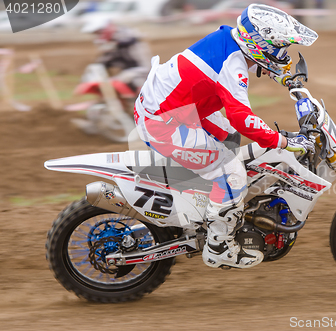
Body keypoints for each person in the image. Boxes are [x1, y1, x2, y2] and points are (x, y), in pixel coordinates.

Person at [134, 4, 318, 269]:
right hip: (163, 123)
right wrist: (284, 142)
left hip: (178, 109)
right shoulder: (233, 65)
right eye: (278, 49)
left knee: (230, 140)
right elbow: (242, 117)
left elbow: (257, 69)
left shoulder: (230, 40)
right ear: (259, 44)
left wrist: (287, 78)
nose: (282, 54)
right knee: (232, 175)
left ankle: (211, 201)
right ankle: (219, 245)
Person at [81, 18, 151, 91]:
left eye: (98, 33)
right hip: (128, 71)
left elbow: (132, 39)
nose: (97, 36)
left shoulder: (126, 35)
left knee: (130, 82)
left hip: (141, 70)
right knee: (111, 82)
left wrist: (115, 44)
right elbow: (104, 61)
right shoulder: (112, 42)